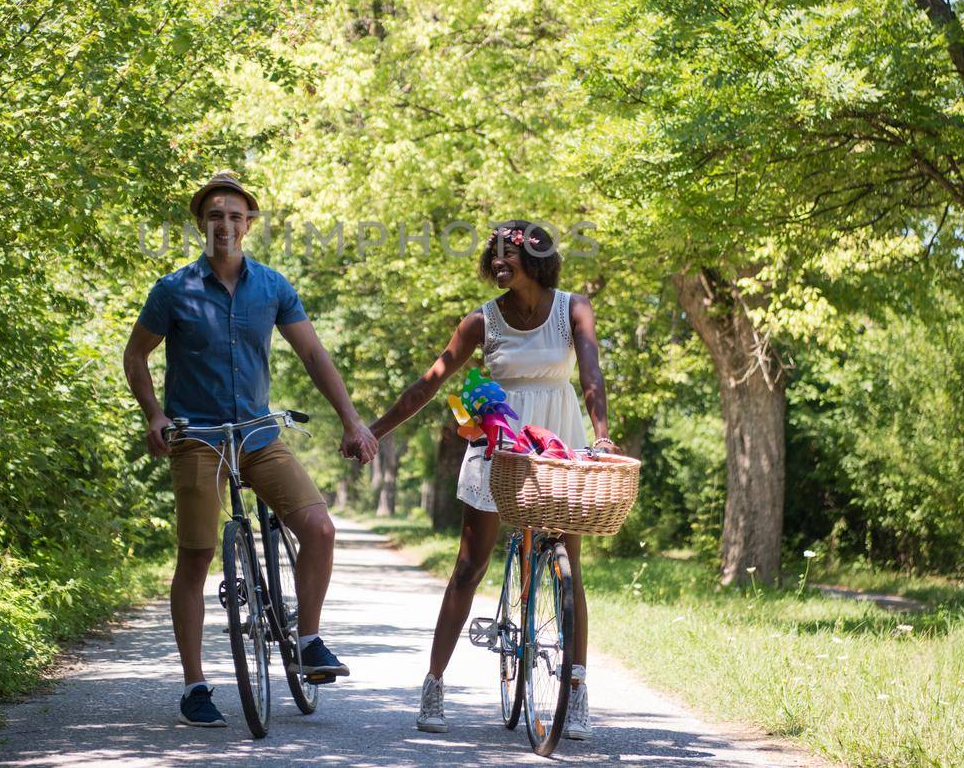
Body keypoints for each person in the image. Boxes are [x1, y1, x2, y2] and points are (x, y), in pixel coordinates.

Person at [123, 171, 379, 727]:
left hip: (260, 435)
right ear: (201, 224)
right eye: (215, 215)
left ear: (250, 225)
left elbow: (313, 355)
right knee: (195, 556)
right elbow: (136, 356)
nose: (226, 225)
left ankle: (308, 638)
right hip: (199, 439)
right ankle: (195, 686)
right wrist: (154, 416)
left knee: (320, 528)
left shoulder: (273, 286)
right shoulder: (174, 290)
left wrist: (353, 422)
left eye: (236, 216)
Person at [368, 220, 614, 740]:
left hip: (558, 437)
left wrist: (602, 436)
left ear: (537, 258)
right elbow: (428, 385)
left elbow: (591, 373)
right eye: (494, 254)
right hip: (499, 439)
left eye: (511, 254)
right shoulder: (481, 321)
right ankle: (434, 682)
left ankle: (577, 686)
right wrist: (371, 432)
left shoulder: (574, 308)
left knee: (569, 563)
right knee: (468, 565)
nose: (499, 262)